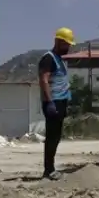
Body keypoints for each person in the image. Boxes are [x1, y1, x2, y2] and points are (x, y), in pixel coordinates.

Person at [37, 27, 75, 180]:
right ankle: (49, 170)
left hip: (60, 103)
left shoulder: (59, 59)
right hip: (53, 103)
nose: (68, 47)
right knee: (52, 137)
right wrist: (50, 102)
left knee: (56, 136)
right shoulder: (48, 58)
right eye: (66, 44)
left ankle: (51, 168)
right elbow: (43, 79)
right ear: (58, 42)